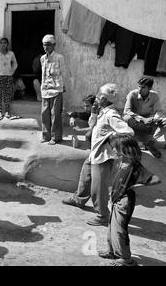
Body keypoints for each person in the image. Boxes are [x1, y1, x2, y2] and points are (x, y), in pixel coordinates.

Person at [62, 83, 134, 226]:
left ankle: (103, 216)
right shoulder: (101, 111)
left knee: (98, 189)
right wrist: (94, 112)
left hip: (103, 156)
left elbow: (128, 132)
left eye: (100, 95)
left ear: (104, 98)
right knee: (85, 176)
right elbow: (92, 125)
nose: (97, 97)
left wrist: (109, 140)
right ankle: (79, 199)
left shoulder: (111, 114)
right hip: (94, 153)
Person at [98, 135, 161, 266]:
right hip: (116, 199)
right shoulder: (121, 162)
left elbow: (156, 179)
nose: (114, 150)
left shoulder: (135, 167)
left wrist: (135, 186)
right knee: (111, 229)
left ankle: (126, 259)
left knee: (119, 230)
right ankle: (112, 251)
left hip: (124, 202)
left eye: (115, 148)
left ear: (125, 149)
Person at [123, 77, 166, 158]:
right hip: (135, 119)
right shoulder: (132, 94)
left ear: (149, 88)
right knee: (126, 118)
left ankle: (150, 143)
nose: (140, 89)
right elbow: (127, 111)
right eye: (139, 86)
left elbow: (159, 111)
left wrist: (155, 119)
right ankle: (140, 141)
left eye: (143, 87)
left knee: (164, 122)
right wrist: (142, 119)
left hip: (148, 119)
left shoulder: (154, 95)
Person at [40, 34, 66, 145]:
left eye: (49, 45)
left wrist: (63, 86)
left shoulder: (59, 57)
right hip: (45, 90)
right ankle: (46, 136)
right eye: (44, 45)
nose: (46, 47)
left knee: (55, 114)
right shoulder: (42, 58)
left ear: (54, 45)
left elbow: (64, 73)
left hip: (56, 90)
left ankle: (56, 137)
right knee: (45, 113)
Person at [0, 38, 20, 120]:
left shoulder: (11, 54)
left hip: (8, 76)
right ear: (0, 44)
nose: (3, 44)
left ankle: (6, 112)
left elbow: (15, 64)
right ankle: (0, 112)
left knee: (7, 94)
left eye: (5, 43)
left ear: (7, 44)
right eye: (1, 43)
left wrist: (11, 72)